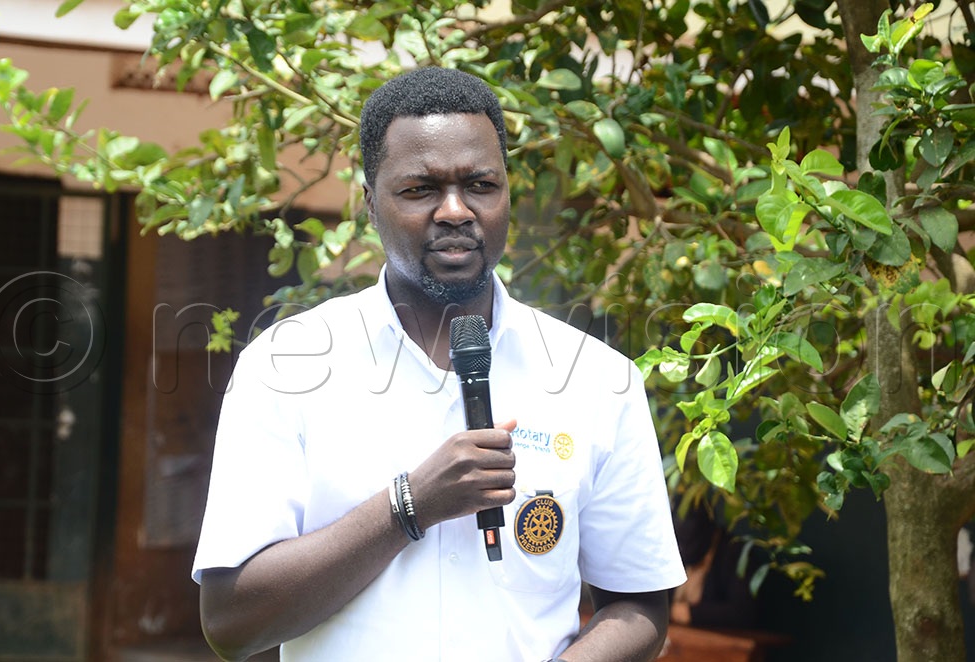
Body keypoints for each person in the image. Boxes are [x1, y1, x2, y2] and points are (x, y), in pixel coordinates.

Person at [192, 66, 686, 662]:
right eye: (420, 189)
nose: (455, 210)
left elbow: (639, 608)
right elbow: (232, 623)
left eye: (480, 184)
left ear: (507, 193)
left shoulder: (598, 380)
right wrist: (411, 504)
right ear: (372, 204)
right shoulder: (285, 366)